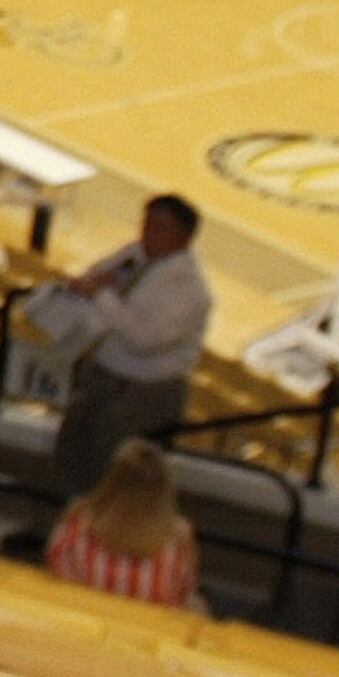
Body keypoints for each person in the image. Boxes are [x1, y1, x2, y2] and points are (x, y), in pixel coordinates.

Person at [49, 193, 213, 498]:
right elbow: (95, 274)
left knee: (114, 480)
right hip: (99, 377)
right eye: (147, 224)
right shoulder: (136, 255)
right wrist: (93, 282)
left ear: (183, 236)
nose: (147, 233)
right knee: (71, 459)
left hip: (140, 395)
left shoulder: (189, 289)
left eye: (160, 228)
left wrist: (101, 295)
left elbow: (145, 340)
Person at [45, 440, 203, 610]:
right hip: (147, 631)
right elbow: (182, 594)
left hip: (80, 623)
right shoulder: (179, 539)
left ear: (112, 479)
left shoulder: (76, 522)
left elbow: (56, 577)